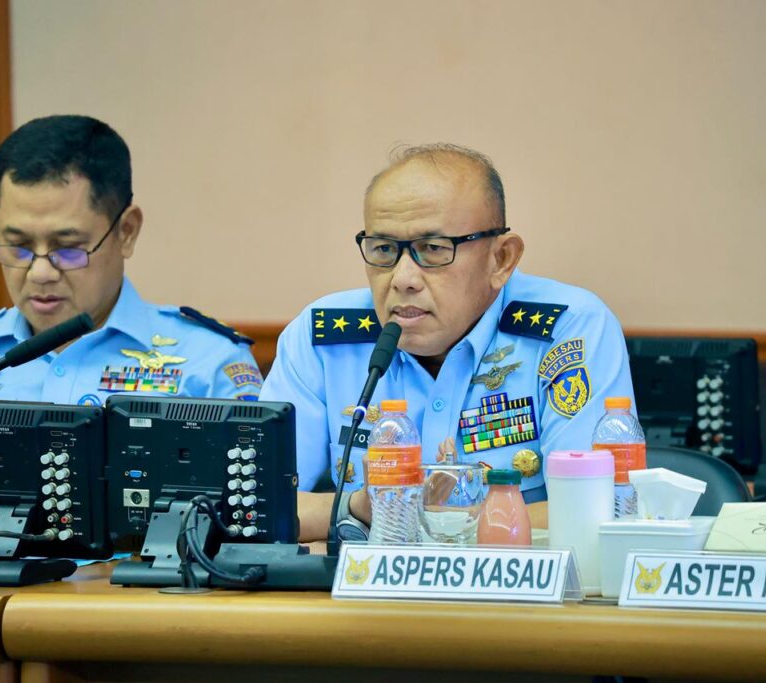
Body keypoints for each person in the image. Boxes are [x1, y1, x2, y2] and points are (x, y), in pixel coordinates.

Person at [0, 115, 261, 523]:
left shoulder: (208, 365)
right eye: (17, 246)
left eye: (67, 249)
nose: (39, 273)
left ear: (126, 232)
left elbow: (252, 522)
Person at [259, 143, 635, 541]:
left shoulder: (569, 328)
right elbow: (252, 505)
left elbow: (592, 508)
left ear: (501, 259)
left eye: (434, 249)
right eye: (384, 249)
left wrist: (440, 521)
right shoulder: (321, 339)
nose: (403, 278)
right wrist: (357, 507)